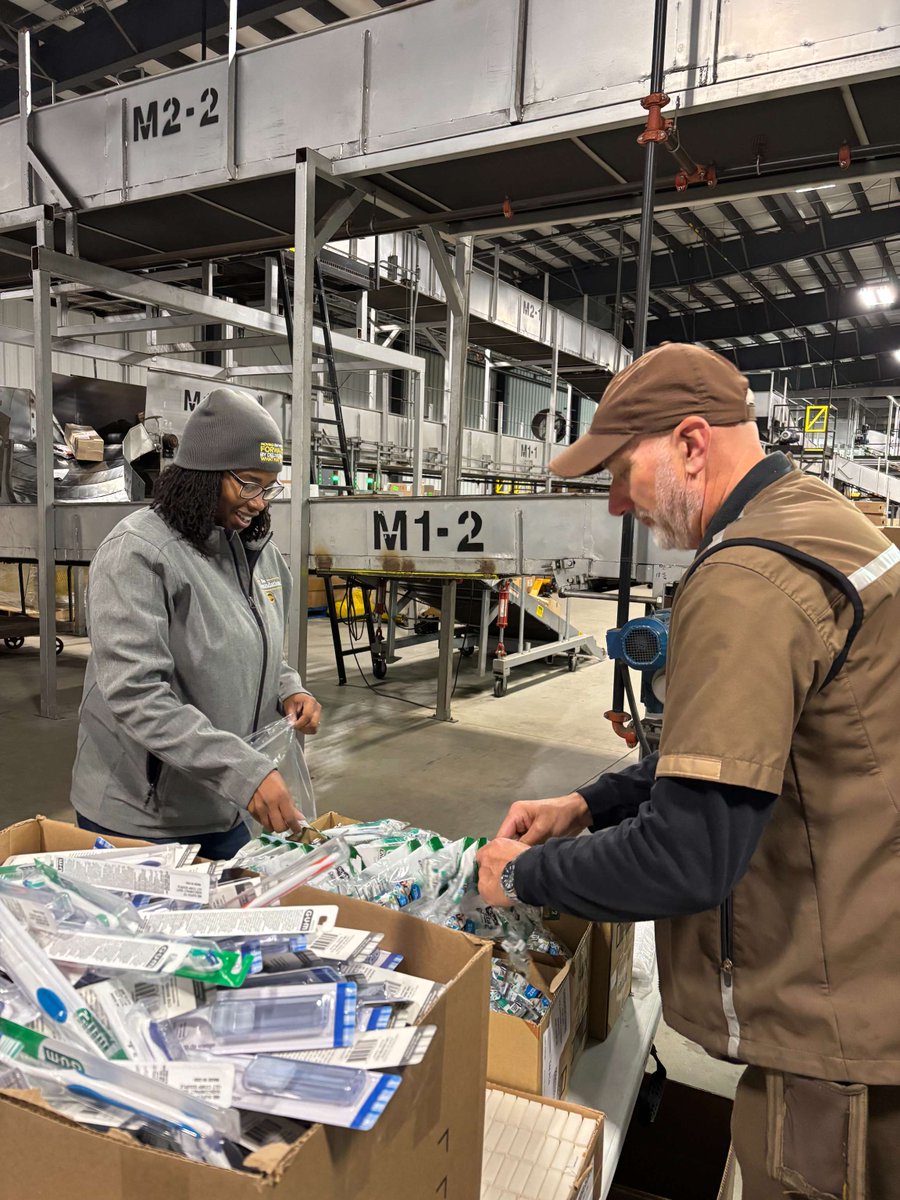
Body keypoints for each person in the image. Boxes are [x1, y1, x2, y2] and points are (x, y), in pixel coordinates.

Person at [476, 343, 900, 1198]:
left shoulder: (747, 577)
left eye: (625, 469)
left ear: (693, 444)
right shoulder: (817, 517)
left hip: (838, 1027)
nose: (615, 500)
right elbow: (760, 754)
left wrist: (526, 876)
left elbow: (688, 856)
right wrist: (589, 803)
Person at [69, 387, 322, 860]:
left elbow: (264, 645)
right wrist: (242, 771)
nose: (260, 502)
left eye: (269, 487)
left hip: (224, 804)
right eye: (248, 483)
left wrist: (290, 688)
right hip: (145, 818)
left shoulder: (257, 553)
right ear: (203, 476)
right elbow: (135, 692)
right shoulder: (139, 553)